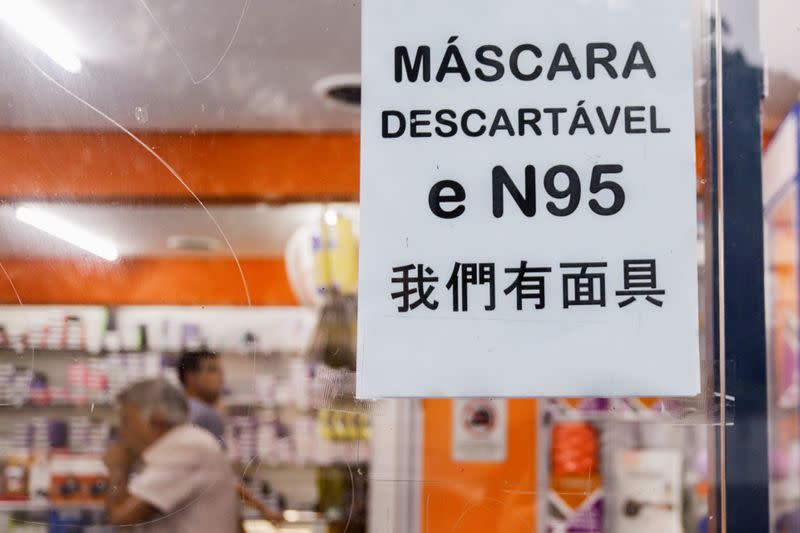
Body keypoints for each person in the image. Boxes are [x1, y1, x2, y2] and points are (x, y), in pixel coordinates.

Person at [102, 378, 238, 532]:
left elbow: (121, 517)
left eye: (127, 421)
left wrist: (118, 468)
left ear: (156, 420)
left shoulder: (184, 449)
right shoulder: (187, 442)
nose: (122, 433)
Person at [177, 349, 283, 523]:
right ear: (191, 377)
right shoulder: (205, 415)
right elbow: (221, 476)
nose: (221, 378)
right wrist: (263, 509)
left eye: (220, 370)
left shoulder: (178, 411)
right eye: (212, 370)